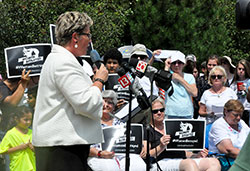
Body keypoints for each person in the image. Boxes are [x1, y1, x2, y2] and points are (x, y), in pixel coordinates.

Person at [32, 11, 108, 171]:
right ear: (75, 37)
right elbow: (86, 103)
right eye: (87, 35)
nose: (90, 40)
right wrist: (99, 80)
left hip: (63, 148)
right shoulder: (63, 62)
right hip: (62, 151)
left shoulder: (61, 60)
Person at [141, 97, 221, 171]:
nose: (159, 113)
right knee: (189, 163)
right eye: (155, 111)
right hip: (161, 162)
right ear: (149, 113)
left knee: (214, 162)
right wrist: (161, 146)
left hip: (181, 160)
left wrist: (196, 155)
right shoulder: (147, 130)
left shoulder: (171, 126)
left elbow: (183, 152)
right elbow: (146, 155)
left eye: (162, 110)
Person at [88, 90, 146, 171]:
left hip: (121, 154)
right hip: (99, 155)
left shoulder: (120, 123)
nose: (106, 105)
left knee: (139, 166)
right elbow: (84, 148)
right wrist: (99, 153)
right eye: (103, 101)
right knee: (110, 168)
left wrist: (140, 148)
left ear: (114, 107)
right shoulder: (90, 123)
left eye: (110, 103)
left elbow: (130, 141)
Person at [209, 100, 250, 169]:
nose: (238, 118)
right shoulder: (219, 125)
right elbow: (228, 150)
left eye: (240, 115)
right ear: (226, 111)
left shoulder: (241, 123)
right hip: (225, 162)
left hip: (242, 158)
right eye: (235, 115)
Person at [0, 106, 35, 171]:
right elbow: (2, 150)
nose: (28, 122)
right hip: (17, 167)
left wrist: (33, 148)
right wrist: (19, 147)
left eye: (30, 119)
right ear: (16, 119)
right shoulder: (11, 134)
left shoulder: (32, 133)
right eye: (25, 120)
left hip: (32, 167)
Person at [164, 51, 197, 119]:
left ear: (184, 64)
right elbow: (161, 83)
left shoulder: (189, 77)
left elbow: (194, 93)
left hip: (187, 113)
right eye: (174, 63)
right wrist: (166, 67)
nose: (176, 65)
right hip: (170, 113)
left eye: (179, 62)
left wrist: (180, 79)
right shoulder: (167, 75)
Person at [230, 59, 250, 126]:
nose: (241, 71)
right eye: (239, 69)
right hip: (236, 109)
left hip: (246, 109)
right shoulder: (233, 82)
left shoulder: (248, 81)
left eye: (243, 69)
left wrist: (246, 90)